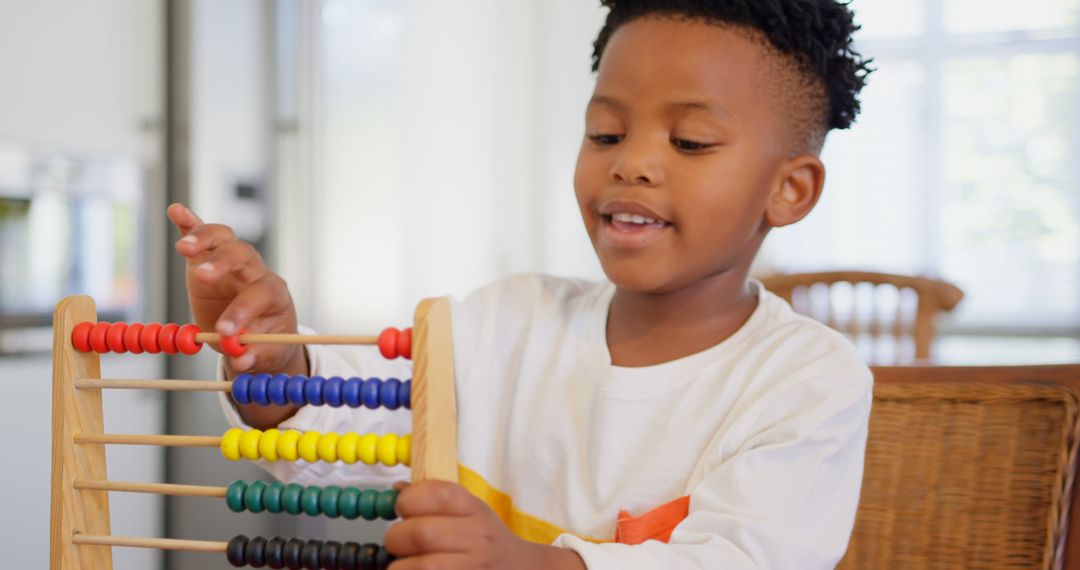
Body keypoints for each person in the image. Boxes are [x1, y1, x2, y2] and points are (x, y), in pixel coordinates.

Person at [168, 1, 874, 568]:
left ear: (789, 190)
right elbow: (337, 440)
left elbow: (740, 558)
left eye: (688, 142)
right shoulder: (508, 321)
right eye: (605, 133)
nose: (633, 164)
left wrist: (526, 564)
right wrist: (276, 363)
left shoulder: (806, 380)